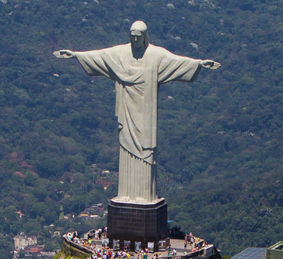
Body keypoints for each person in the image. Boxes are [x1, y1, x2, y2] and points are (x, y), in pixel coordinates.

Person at [55, 21, 220, 202]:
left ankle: (144, 195)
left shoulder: (156, 55)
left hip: (146, 113)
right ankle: (126, 194)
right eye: (132, 36)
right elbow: (101, 56)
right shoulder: (121, 53)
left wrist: (199, 64)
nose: (135, 40)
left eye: (138, 37)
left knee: (145, 150)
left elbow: (176, 61)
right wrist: (75, 55)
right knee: (126, 147)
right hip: (127, 108)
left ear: (145, 37)